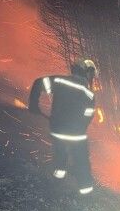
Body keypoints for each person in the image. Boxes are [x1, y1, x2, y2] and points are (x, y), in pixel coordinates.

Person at [28, 58, 98, 195]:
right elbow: (88, 117)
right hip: (77, 134)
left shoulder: (60, 82)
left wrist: (34, 105)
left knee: (60, 156)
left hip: (57, 130)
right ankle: (86, 191)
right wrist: (79, 128)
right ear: (88, 74)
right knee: (81, 161)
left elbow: (38, 83)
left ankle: (57, 183)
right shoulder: (89, 95)